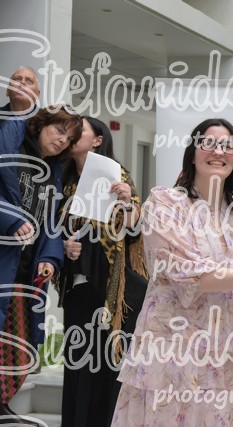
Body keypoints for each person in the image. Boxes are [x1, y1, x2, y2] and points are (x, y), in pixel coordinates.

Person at [111, 118, 233, 427]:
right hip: (172, 350)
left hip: (227, 355)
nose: (218, 151)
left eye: (227, 146)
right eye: (209, 143)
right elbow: (190, 274)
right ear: (193, 154)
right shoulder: (166, 204)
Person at [56, 117, 149, 427]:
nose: (72, 134)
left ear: (97, 140)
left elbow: (134, 229)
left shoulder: (116, 175)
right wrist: (64, 246)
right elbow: (55, 230)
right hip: (79, 286)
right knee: (79, 366)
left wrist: (126, 201)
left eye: (79, 129)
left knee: (111, 368)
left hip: (116, 291)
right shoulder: (64, 179)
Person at [0, 106, 82, 423]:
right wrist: (11, 219)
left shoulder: (53, 170)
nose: (62, 140)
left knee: (18, 344)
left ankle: (3, 401)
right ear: (41, 125)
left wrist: (49, 257)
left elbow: (51, 223)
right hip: (4, 261)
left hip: (26, 271)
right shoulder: (12, 151)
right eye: (59, 130)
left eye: (69, 138)